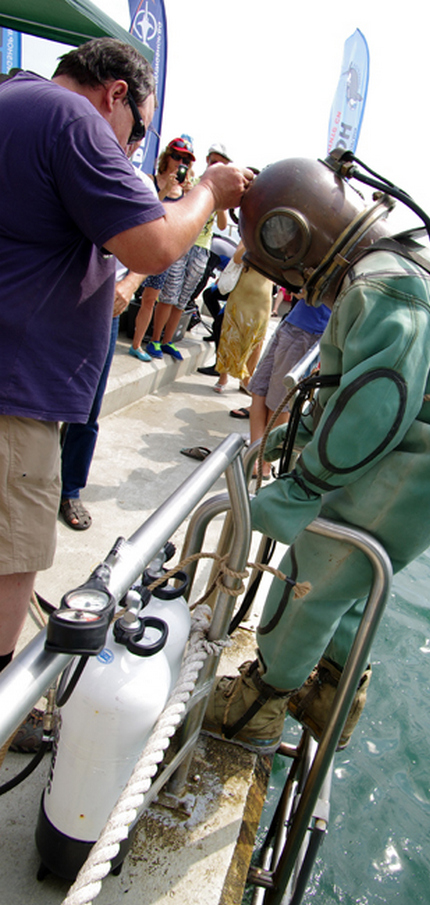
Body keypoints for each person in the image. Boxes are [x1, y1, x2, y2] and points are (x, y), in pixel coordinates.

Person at [202, 157, 430, 753]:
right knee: (352, 581)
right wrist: (295, 438)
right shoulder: (393, 262)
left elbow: (376, 405)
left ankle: (257, 707)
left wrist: (303, 485)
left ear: (297, 234)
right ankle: (330, 695)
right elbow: (355, 385)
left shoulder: (384, 282)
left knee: (317, 569)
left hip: (414, 457)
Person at [0, 38, 250, 693]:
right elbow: (157, 242)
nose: (131, 151)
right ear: (116, 94)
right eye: (136, 134)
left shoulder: (12, 98)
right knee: (10, 557)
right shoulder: (73, 119)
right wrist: (209, 192)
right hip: (12, 392)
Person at [144, 143, 231, 361]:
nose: (216, 164)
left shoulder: (222, 190)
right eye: (213, 160)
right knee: (169, 293)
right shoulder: (196, 181)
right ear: (207, 160)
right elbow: (176, 206)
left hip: (202, 248)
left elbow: (222, 224)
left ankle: (168, 341)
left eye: (221, 161)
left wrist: (219, 203)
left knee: (184, 298)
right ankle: (155, 338)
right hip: (183, 242)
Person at [232, 296, 331, 477]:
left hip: (309, 330)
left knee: (279, 403)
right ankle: (255, 457)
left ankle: (264, 463)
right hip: (293, 321)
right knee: (259, 390)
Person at [129, 137, 196, 362]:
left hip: (163, 253)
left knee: (152, 300)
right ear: (166, 157)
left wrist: (188, 196)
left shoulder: (186, 190)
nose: (180, 162)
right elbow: (144, 212)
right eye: (176, 156)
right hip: (141, 246)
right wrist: (164, 189)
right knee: (128, 291)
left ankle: (138, 344)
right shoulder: (150, 180)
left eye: (185, 159)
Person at [212, 242, 273, 394]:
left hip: (263, 296)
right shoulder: (250, 236)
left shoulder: (279, 244)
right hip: (241, 292)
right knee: (231, 333)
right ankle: (223, 376)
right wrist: (253, 238)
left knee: (256, 339)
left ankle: (246, 379)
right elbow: (238, 258)